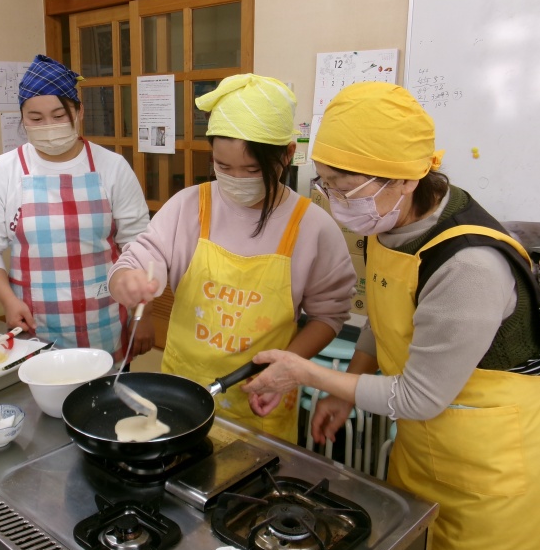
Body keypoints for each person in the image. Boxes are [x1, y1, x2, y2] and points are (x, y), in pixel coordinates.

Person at [242, 82, 540, 550]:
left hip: (495, 471)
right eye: (326, 184)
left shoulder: (469, 266)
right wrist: (347, 387)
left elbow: (419, 396)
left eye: (345, 188)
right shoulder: (391, 222)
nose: (335, 201)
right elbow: (386, 314)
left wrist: (305, 373)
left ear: (407, 178)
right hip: (425, 449)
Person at [108, 74, 357, 443]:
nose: (237, 179)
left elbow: (328, 316)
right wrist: (126, 280)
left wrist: (284, 368)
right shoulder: (188, 207)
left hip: (261, 399)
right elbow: (136, 260)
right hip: (183, 393)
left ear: (287, 154)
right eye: (223, 167)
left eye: (253, 170)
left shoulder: (313, 226)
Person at [0, 54, 154, 361]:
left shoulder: (111, 166)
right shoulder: (5, 170)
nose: (49, 127)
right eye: (36, 119)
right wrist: (8, 301)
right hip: (34, 321)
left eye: (58, 115)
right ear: (22, 118)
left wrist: (143, 312)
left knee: (104, 390)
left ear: (79, 111)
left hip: (105, 319)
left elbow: (138, 242)